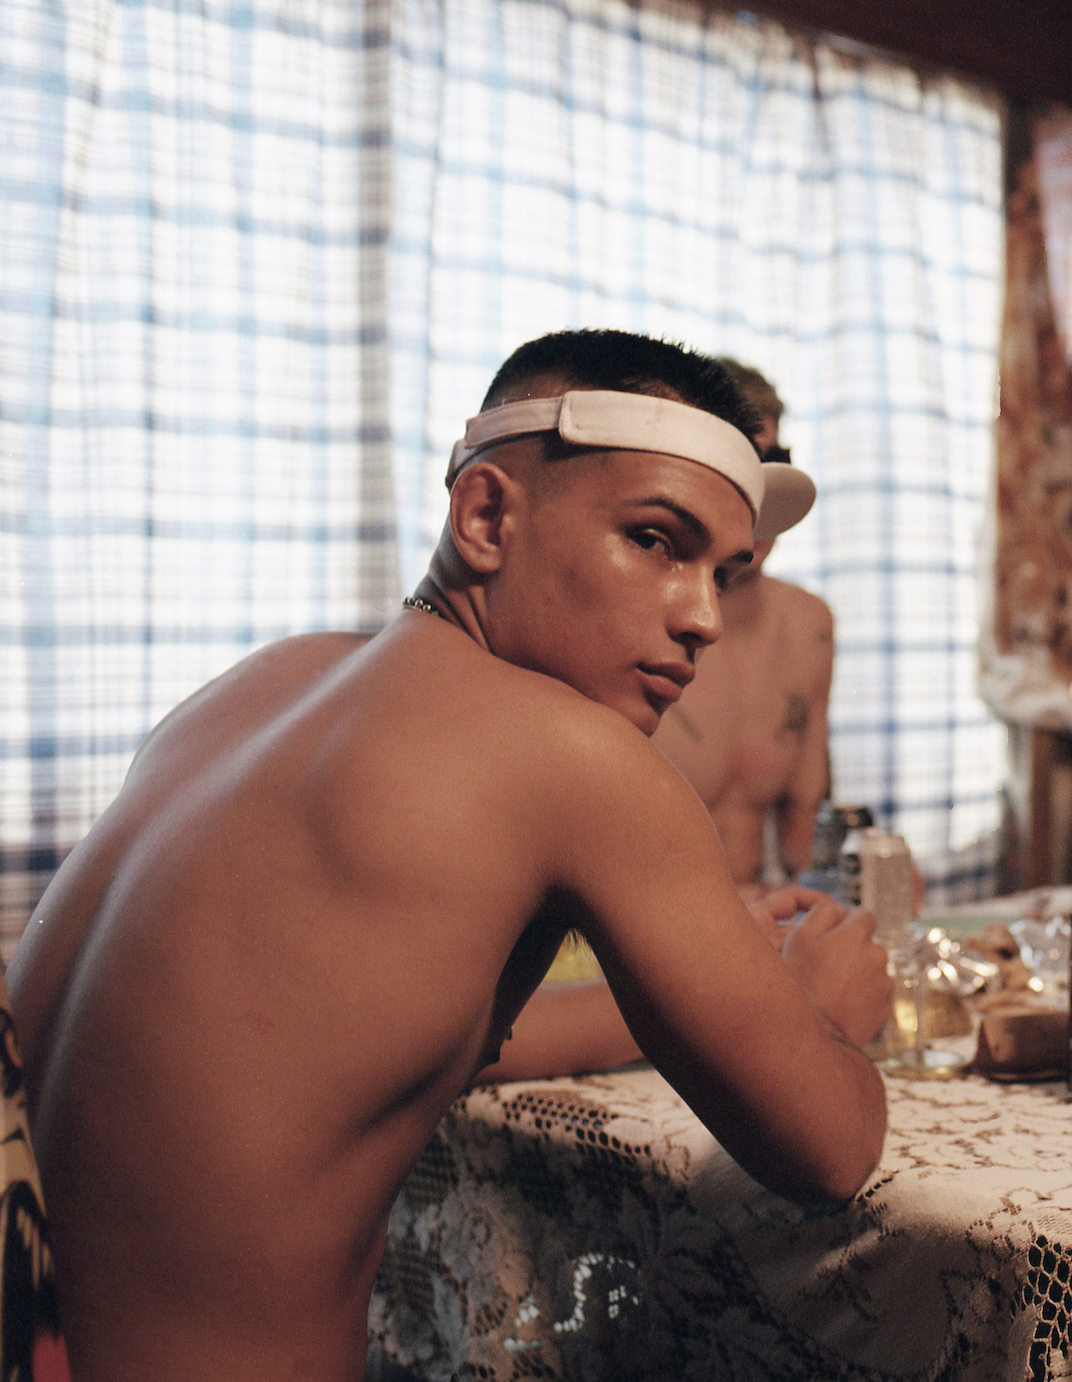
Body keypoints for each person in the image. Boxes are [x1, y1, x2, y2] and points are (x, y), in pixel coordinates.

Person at [8, 329, 893, 1382]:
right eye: (656, 540)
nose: (702, 617)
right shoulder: (580, 757)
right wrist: (820, 1010)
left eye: (724, 573)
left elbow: (379, 1041)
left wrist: (709, 977)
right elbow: (827, 1151)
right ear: (485, 515)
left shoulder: (255, 691)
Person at [651, 359, 833, 896]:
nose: (758, 502)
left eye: (772, 472)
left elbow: (806, 842)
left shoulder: (809, 626)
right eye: (739, 474)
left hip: (756, 929)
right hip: (635, 947)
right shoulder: (631, 616)